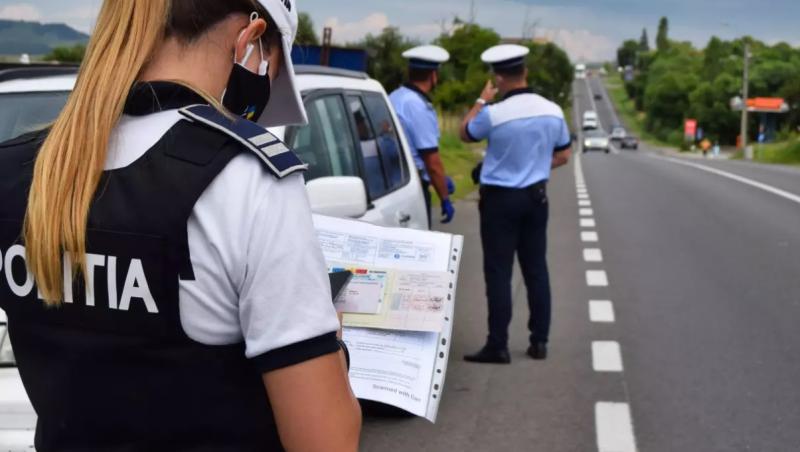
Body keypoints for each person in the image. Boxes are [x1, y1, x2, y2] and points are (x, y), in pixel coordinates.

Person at [0, 1, 361, 450]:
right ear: (249, 41)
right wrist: (334, 343)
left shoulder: (18, 169)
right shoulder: (248, 179)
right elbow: (326, 441)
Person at [460, 44, 572, 364]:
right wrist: (536, 166)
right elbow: (563, 154)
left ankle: (498, 345)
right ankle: (539, 341)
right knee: (536, 269)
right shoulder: (553, 111)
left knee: (499, 272)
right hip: (536, 197)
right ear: (525, 72)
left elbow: (465, 133)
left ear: (498, 77)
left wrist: (482, 99)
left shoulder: (494, 114)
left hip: (499, 201)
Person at [389, 45, 456, 228]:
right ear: (434, 75)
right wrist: (444, 197)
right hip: (414, 186)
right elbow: (432, 162)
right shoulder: (417, 105)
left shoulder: (396, 96)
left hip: (394, 183)